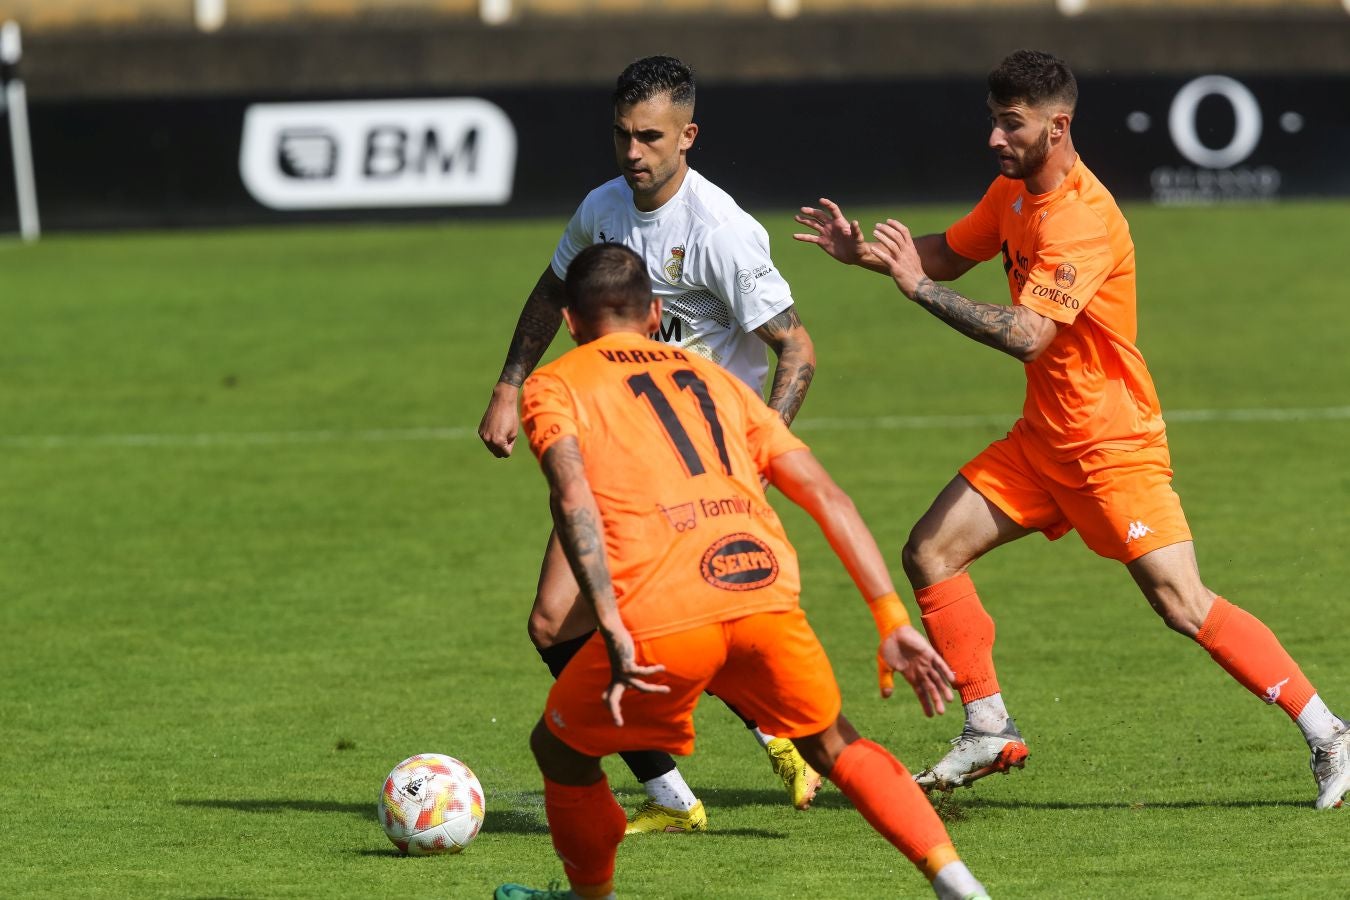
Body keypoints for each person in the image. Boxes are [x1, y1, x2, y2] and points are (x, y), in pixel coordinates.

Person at [793, 48, 1350, 809]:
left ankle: (1330, 733)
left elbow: (1028, 334)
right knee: (931, 550)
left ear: (1058, 127)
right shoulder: (1012, 194)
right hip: (1043, 442)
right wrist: (868, 255)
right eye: (993, 121)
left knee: (1181, 603)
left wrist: (916, 291)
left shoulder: (1082, 217)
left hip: (1112, 446)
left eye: (1010, 124)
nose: (995, 138)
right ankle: (987, 725)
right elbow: (952, 255)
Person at [494, 242, 990, 900]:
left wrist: (608, 618)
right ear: (655, 315)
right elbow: (826, 495)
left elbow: (572, 496)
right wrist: (890, 617)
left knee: (559, 750)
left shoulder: (555, 383)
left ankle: (592, 897)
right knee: (837, 746)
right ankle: (955, 880)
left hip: (665, 617)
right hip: (762, 596)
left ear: (569, 322)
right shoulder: (719, 382)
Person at [479, 55, 822, 832]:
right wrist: (508, 383)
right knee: (554, 624)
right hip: (608, 450)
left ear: (687, 136)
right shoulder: (602, 208)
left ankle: (788, 738)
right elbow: (552, 288)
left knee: (684, 625)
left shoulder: (722, 233)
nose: (632, 152)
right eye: (622, 136)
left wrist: (759, 454)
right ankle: (675, 795)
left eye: (649, 137)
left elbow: (796, 349)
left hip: (691, 467)